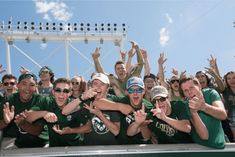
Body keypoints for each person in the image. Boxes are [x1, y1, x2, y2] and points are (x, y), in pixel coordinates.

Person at [25, 78, 91, 147]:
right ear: (53, 92)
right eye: (58, 90)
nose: (61, 94)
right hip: (54, 149)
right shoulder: (46, 102)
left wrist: (70, 130)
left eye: (65, 91)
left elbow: (88, 127)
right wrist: (44, 113)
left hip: (74, 148)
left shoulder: (76, 104)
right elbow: (27, 118)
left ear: (70, 93)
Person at [90, 76, 154, 144]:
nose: (135, 93)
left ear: (143, 91)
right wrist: (119, 106)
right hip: (123, 146)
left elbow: (147, 137)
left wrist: (142, 125)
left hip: (142, 147)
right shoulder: (122, 100)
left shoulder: (149, 107)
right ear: (127, 92)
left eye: (139, 90)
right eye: (131, 90)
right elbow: (96, 103)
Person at [63, 73, 120, 145]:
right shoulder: (87, 102)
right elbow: (65, 111)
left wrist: (100, 115)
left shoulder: (113, 104)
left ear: (107, 88)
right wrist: (82, 97)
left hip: (109, 149)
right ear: (91, 86)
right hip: (90, 149)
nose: (98, 87)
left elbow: (116, 131)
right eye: (95, 83)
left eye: (102, 84)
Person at [127, 85, 193, 144]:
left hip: (186, 148)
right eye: (155, 101)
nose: (159, 103)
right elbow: (130, 133)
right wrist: (137, 123)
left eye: (162, 99)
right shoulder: (152, 114)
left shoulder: (178, 105)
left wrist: (165, 118)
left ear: (168, 98)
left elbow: (187, 128)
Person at [0, 73, 48, 149]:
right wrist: (5, 122)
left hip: (40, 143)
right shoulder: (8, 100)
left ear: (36, 87)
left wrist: (23, 124)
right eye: (24, 84)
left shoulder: (41, 100)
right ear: (18, 85)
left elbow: (37, 130)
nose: (27, 88)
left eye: (31, 85)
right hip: (15, 141)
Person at [179, 76, 227, 149]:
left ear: (199, 86)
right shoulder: (186, 104)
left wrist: (204, 107)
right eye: (185, 90)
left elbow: (223, 115)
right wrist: (194, 112)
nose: (189, 92)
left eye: (191, 88)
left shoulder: (211, 93)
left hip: (219, 145)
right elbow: (204, 136)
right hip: (198, 147)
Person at [222, 71, 235, 142]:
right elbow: (219, 82)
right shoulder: (225, 90)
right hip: (228, 120)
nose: (231, 80)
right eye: (229, 78)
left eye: (234, 78)